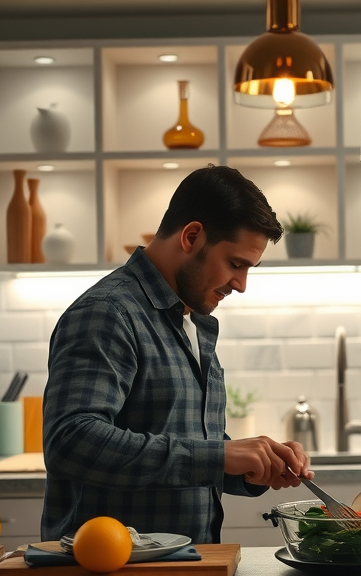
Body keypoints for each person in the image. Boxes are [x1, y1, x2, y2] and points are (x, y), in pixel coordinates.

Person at [41, 165, 313, 544]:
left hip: (183, 563)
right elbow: (71, 442)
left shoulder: (192, 318)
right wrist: (218, 456)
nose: (242, 284)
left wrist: (252, 466)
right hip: (111, 569)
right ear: (191, 236)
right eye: (236, 264)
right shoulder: (108, 312)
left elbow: (184, 445)